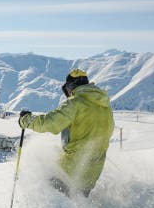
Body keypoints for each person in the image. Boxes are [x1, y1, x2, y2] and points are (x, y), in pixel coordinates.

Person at [18, 69, 114, 198]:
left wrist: (26, 120)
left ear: (71, 86)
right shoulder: (105, 107)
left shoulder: (75, 103)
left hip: (71, 166)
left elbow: (50, 123)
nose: (68, 93)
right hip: (94, 168)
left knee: (53, 199)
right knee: (78, 204)